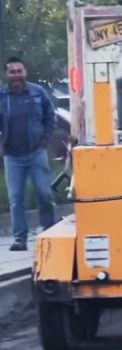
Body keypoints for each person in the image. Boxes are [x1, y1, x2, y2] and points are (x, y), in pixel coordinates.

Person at [0, 57, 57, 251]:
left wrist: (45, 139)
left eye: (19, 71)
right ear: (7, 74)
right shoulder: (2, 96)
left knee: (44, 194)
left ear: (25, 72)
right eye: (12, 72)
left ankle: (50, 233)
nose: (16, 75)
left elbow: (51, 116)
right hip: (12, 156)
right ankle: (20, 239)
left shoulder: (38, 93)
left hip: (36, 153)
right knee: (16, 199)